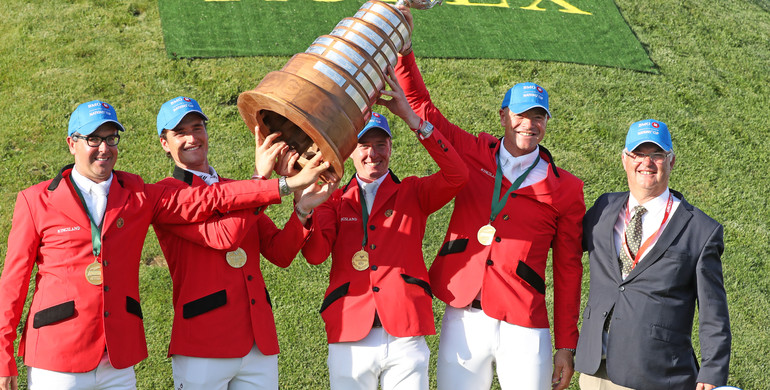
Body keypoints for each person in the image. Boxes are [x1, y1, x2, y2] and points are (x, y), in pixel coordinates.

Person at [0, 100, 329, 390]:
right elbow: (13, 282)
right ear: (72, 143)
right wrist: (3, 355)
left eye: (110, 138)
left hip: (120, 356)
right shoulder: (36, 200)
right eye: (93, 139)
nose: (103, 147)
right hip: (60, 350)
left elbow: (241, 221)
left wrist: (297, 200)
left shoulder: (140, 193)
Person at [393, 8, 585, 390]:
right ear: (503, 116)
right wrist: (405, 49)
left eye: (538, 117)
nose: (528, 124)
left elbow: (568, 271)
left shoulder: (567, 189)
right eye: (520, 114)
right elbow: (422, 107)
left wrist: (566, 344)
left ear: (546, 123)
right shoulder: (472, 152)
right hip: (463, 315)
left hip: (524, 324)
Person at [152, 96, 337, 390]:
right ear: (165, 143)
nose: (191, 138)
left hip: (257, 342)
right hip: (203, 343)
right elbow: (226, 237)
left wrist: (302, 208)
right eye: (180, 132)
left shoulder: (239, 190)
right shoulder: (164, 195)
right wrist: (262, 179)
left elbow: (280, 252)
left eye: (197, 127)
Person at [300, 68, 468, 390]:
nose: (372, 154)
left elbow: (457, 174)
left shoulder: (413, 192)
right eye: (364, 145)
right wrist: (306, 210)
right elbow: (316, 255)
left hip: (405, 330)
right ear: (351, 150)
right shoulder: (331, 199)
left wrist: (415, 121)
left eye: (380, 144)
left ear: (391, 148)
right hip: (350, 327)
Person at [575, 119, 731, 390]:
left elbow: (713, 311)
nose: (646, 163)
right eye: (638, 154)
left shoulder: (701, 230)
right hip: (595, 369)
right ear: (625, 159)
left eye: (657, 155)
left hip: (655, 374)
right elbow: (565, 248)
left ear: (671, 162)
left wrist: (712, 371)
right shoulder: (604, 207)